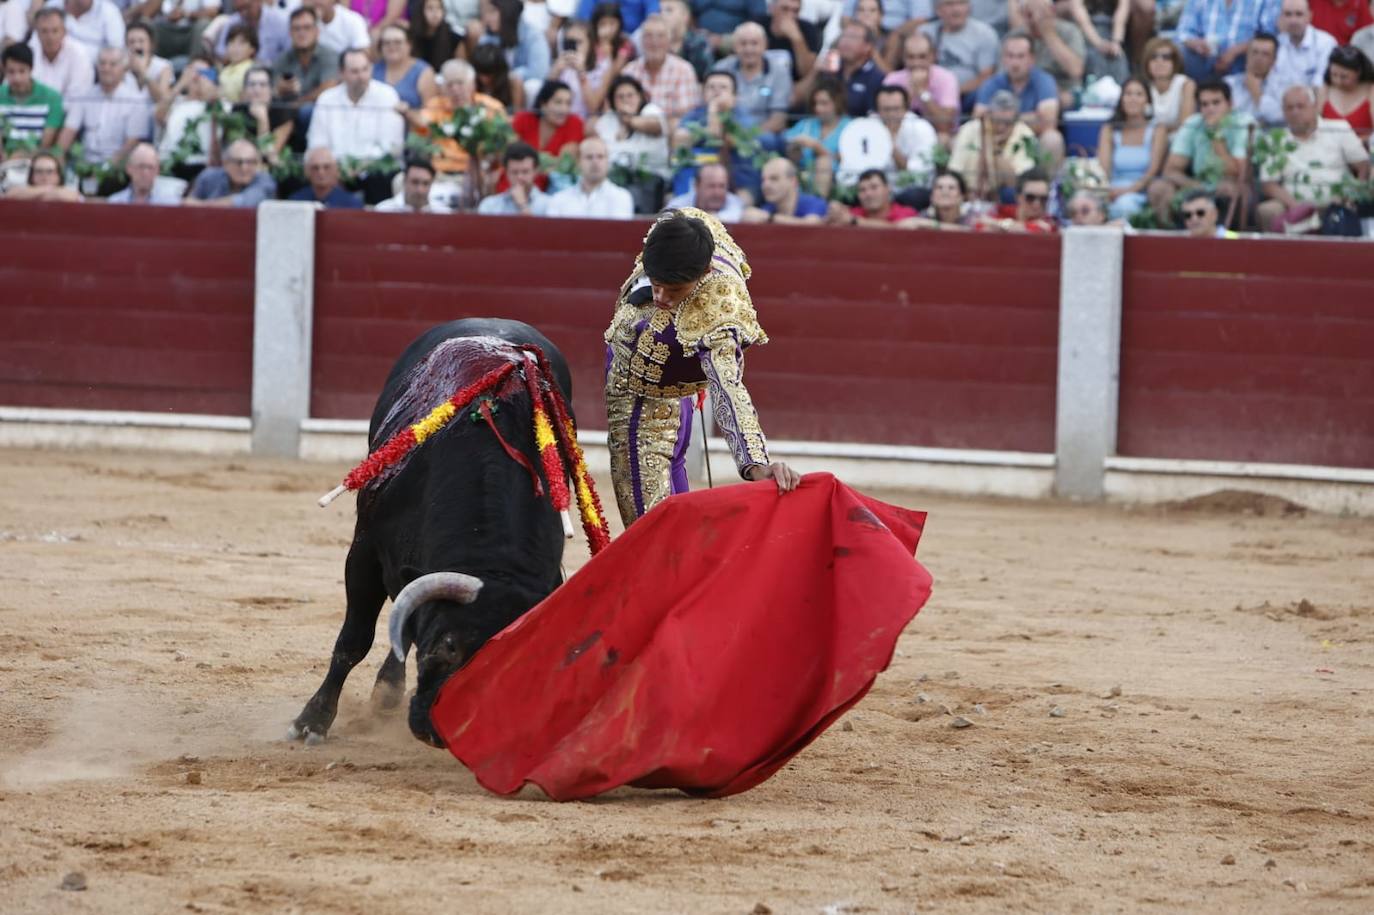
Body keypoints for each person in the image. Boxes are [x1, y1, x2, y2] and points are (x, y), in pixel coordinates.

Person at [603, 208, 800, 527]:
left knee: (651, 531)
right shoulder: (681, 230)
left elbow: (728, 386)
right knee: (666, 499)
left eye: (675, 290)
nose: (662, 297)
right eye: (656, 284)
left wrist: (755, 463)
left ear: (705, 272)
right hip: (637, 374)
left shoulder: (719, 311)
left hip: (651, 381)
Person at [1258, 83, 1368, 229]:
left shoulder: (1338, 128)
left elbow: (1363, 166)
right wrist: (1296, 207)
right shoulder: (1274, 139)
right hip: (1292, 203)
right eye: (1289, 108)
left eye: (1300, 106)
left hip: (1336, 201)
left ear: (1315, 106)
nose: (1295, 112)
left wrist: (1352, 195)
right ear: (1283, 112)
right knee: (1267, 210)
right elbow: (1268, 184)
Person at [1149, 78, 1255, 219]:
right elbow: (1170, 170)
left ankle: (1224, 238)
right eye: (1204, 104)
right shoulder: (1194, 123)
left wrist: (1215, 136)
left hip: (1232, 185)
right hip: (1198, 184)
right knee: (1159, 188)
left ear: (1230, 104)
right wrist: (1197, 186)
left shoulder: (1243, 124)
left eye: (1216, 103)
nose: (1210, 109)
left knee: (1228, 189)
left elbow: (1240, 173)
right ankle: (1168, 239)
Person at [973, 30, 1065, 167]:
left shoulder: (1044, 81)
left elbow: (1048, 122)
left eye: (1020, 56)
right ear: (1003, 59)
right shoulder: (991, 83)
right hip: (997, 140)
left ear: (1032, 59)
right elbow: (979, 118)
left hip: (1032, 140)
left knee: (1052, 139)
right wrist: (1030, 118)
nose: (1015, 63)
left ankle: (1044, 187)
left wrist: (1002, 120)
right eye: (1010, 56)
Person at [56, 47, 148, 168]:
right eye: (102, 63)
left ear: (124, 69)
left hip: (118, 167)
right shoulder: (85, 96)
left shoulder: (135, 101)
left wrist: (106, 169)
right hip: (84, 164)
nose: (106, 68)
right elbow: (69, 130)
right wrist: (56, 160)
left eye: (112, 64)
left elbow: (131, 143)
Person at [308, 47, 406, 161]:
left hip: (376, 170)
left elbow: (391, 146)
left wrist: (359, 166)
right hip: (335, 170)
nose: (362, 77)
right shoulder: (326, 99)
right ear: (341, 73)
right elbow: (317, 143)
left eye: (365, 69)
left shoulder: (387, 96)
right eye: (355, 71)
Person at [411, 58, 505, 176]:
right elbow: (421, 127)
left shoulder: (491, 107)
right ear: (442, 88)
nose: (455, 90)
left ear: (472, 84)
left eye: (460, 83)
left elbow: (502, 144)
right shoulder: (434, 106)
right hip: (440, 173)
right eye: (450, 85)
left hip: (479, 173)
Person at [947, 87, 1038, 198]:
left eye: (1007, 123)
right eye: (997, 121)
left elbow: (1018, 184)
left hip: (1006, 198)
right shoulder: (970, 129)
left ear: (1016, 119)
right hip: (968, 194)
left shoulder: (1025, 135)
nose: (1001, 127)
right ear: (989, 115)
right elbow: (955, 172)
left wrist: (994, 148)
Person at [1097, 75, 1167, 218]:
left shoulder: (1157, 129)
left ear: (1147, 100)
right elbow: (1104, 169)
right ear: (1121, 99)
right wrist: (1108, 191)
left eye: (1139, 94)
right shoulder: (1109, 129)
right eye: (1128, 94)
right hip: (1112, 190)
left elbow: (1152, 171)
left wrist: (1127, 191)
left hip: (1142, 191)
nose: (1133, 99)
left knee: (1125, 206)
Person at [711, 21, 791, 141]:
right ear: (734, 46)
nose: (749, 49)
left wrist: (748, 137)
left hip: (763, 134)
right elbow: (712, 105)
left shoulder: (779, 72)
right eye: (743, 44)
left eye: (754, 43)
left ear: (765, 45)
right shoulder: (721, 68)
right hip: (727, 132)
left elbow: (778, 119)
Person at [792, 18, 885, 115]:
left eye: (853, 37)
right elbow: (794, 100)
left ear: (868, 46)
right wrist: (815, 72)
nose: (845, 42)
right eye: (843, 36)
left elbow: (873, 117)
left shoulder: (876, 78)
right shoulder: (828, 69)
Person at [622, 13, 701, 127]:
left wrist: (655, 125)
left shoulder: (684, 70)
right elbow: (621, 109)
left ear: (669, 42)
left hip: (670, 135)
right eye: (648, 36)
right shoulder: (629, 71)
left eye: (660, 36)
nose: (654, 42)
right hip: (634, 132)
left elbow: (687, 117)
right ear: (641, 41)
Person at [1174, 0, 1281, 82]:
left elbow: (1270, 36)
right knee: (1178, 50)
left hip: (1244, 63)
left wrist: (1236, 51)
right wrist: (1196, 44)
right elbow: (1183, 32)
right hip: (1205, 60)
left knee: (1263, 50)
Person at [1006, 0, 1086, 106]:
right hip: (1025, 92)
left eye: (1037, 13)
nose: (1033, 19)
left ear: (1051, 11)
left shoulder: (1069, 31)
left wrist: (1049, 34)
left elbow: (1076, 70)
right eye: (1028, 14)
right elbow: (1006, 73)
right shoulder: (1016, 36)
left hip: (1063, 90)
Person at [921, 0, 998, 108]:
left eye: (961, 3)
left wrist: (952, 91)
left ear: (969, 7)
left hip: (967, 96)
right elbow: (915, 67)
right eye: (949, 4)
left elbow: (986, 76)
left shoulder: (984, 34)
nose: (956, 10)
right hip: (931, 94)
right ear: (937, 10)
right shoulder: (924, 33)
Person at [882, 30, 958, 137]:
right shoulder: (892, 80)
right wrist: (908, 96)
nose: (916, 63)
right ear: (903, 57)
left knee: (943, 138)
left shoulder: (946, 78)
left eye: (922, 57)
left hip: (937, 136)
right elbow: (886, 121)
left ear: (933, 56)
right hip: (902, 136)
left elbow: (945, 126)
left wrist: (922, 92)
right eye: (911, 57)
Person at [595, 73, 671, 178]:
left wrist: (629, 120)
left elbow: (656, 126)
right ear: (613, 101)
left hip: (651, 176)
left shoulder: (650, 110)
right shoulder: (607, 120)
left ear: (640, 96)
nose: (625, 100)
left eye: (630, 95)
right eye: (620, 97)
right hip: (614, 177)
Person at [784, 77, 849, 196]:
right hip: (800, 181)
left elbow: (847, 161)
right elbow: (785, 141)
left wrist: (817, 147)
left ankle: (817, 207)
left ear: (837, 102)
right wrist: (794, 149)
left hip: (837, 184)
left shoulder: (850, 127)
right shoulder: (806, 124)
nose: (818, 108)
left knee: (823, 162)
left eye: (824, 103)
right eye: (816, 103)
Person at [543, 134, 636, 216]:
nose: (595, 162)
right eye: (589, 157)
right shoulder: (558, 200)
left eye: (600, 156)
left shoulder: (621, 197)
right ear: (578, 162)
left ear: (607, 161)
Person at [0, 44, 65, 152]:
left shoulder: (52, 98)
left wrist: (23, 157)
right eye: (11, 72)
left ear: (31, 69)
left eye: (22, 71)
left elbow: (45, 144)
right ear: (4, 70)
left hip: (37, 162)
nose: (17, 78)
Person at [273, 7, 340, 107]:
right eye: (296, 29)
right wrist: (280, 89)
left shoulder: (329, 55)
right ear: (290, 33)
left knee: (307, 111)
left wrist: (299, 103)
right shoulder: (283, 59)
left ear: (317, 31)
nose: (301, 33)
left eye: (307, 28)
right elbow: (272, 88)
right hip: (288, 111)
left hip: (321, 110)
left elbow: (329, 87)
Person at [474, 0, 550, 86]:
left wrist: (511, 76)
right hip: (498, 87)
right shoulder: (489, 36)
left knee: (532, 85)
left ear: (507, 11)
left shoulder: (533, 36)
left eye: (493, 12)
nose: (487, 18)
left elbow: (539, 72)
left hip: (521, 87)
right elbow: (481, 65)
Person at [870, 83, 937, 180]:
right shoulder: (868, 126)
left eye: (896, 109)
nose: (891, 114)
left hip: (911, 188)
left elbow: (918, 175)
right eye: (886, 109)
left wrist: (892, 147)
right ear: (877, 111)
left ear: (906, 109)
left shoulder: (922, 128)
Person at [184, 136, 277, 205]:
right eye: (239, 162)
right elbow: (188, 203)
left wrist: (202, 205)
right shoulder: (209, 176)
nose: (244, 168)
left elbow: (242, 202)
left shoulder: (265, 181)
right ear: (225, 163)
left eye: (251, 162)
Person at [1272, 0, 1337, 91]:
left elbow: (1320, 86)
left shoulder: (1326, 43)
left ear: (1309, 16)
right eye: (1288, 14)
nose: (1293, 20)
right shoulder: (1276, 44)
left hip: (1314, 102)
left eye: (1299, 14)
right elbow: (1271, 87)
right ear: (1281, 17)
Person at [29, 7, 95, 97]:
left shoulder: (79, 54)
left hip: (69, 109)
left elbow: (78, 96)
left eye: (55, 31)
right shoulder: (29, 52)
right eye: (44, 31)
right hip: (34, 108)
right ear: (37, 32)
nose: (50, 37)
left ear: (64, 32)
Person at [740, 155, 827, 222]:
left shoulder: (815, 203)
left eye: (774, 178)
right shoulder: (768, 208)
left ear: (793, 181)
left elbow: (811, 226)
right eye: (763, 180)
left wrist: (769, 218)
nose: (765, 185)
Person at [1225, 30, 1285, 124]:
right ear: (1247, 55)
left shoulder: (1283, 86)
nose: (1258, 58)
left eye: (1265, 54)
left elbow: (1279, 117)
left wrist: (1256, 92)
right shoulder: (1228, 83)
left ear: (1274, 60)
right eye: (1254, 52)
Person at [1141, 37, 1196, 135]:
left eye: (1166, 57)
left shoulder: (1186, 84)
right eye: (1153, 57)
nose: (1159, 61)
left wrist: (1160, 132)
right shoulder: (1142, 86)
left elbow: (1186, 125)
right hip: (1150, 142)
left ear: (1174, 63)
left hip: (1179, 140)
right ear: (1147, 62)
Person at [826, 167, 919, 225]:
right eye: (862, 190)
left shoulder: (906, 214)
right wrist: (833, 216)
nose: (868, 194)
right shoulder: (853, 213)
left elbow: (895, 229)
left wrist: (854, 221)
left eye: (874, 187)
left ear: (888, 189)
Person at [374, 24, 437, 110]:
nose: (392, 46)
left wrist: (408, 113)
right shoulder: (372, 70)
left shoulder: (423, 72)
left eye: (398, 42)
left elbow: (430, 113)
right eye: (386, 42)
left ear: (409, 45)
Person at [1317, 44, 1374, 138]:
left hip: (1363, 147)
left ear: (1358, 72)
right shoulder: (1325, 89)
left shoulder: (1371, 90)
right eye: (1334, 75)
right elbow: (1315, 124)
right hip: (1329, 147)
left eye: (1344, 77)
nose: (1338, 81)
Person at [477, 140, 549, 212]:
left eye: (525, 172)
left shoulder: (548, 204)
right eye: (514, 172)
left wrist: (523, 205)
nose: (519, 177)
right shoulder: (490, 206)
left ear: (535, 171)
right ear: (506, 172)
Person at [974, 166, 1056, 230]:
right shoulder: (1003, 211)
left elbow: (1038, 230)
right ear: (1018, 197)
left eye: (1043, 199)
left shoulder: (1049, 222)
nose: (1037, 204)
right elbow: (979, 225)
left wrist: (997, 225)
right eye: (1030, 198)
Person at [214, 0, 291, 63]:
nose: (243, 13)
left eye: (247, 7)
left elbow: (290, 53)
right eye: (239, 9)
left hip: (275, 71)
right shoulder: (233, 22)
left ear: (258, 2)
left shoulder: (280, 21)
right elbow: (221, 52)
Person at [665, 160, 746, 219]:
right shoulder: (678, 204)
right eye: (711, 186)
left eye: (721, 186)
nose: (717, 192)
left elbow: (734, 217)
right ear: (696, 186)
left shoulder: (736, 204)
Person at [288, 145, 365, 206]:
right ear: (307, 171)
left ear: (336, 170)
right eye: (315, 167)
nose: (321, 172)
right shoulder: (296, 202)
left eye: (326, 167)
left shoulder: (351, 204)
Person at [107, 141, 182, 203]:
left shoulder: (170, 204)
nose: (145, 172)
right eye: (141, 166)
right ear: (129, 168)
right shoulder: (115, 202)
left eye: (150, 167)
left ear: (157, 170)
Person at [766, 0, 819, 81]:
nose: (790, 15)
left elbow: (806, 72)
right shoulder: (757, 26)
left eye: (795, 11)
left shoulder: (808, 29)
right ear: (771, 8)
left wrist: (797, 38)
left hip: (795, 84)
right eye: (784, 9)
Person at [375, 156, 454, 210]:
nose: (420, 190)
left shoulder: (443, 213)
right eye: (415, 182)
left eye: (426, 183)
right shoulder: (383, 210)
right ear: (404, 181)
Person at [59, 0, 125, 60]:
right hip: (60, 62)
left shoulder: (109, 11)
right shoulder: (57, 5)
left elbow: (116, 48)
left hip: (97, 67)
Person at [4, 150, 83, 199]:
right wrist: (47, 189)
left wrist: (34, 194)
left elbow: (74, 197)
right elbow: (11, 194)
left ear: (58, 175)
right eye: (39, 171)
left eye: (49, 172)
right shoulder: (21, 190)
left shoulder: (68, 191)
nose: (44, 176)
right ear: (31, 175)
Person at [410, 0, 462, 71]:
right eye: (430, 8)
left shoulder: (454, 37)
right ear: (421, 11)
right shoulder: (411, 35)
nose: (435, 12)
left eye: (439, 8)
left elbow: (460, 66)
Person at [471, 41, 525, 109]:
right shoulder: (471, 84)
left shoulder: (513, 84)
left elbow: (517, 114)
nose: (483, 78)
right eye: (480, 73)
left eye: (488, 73)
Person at [218, 25, 258, 103]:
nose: (235, 47)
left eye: (242, 43)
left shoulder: (253, 70)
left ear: (252, 49)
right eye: (232, 42)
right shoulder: (224, 70)